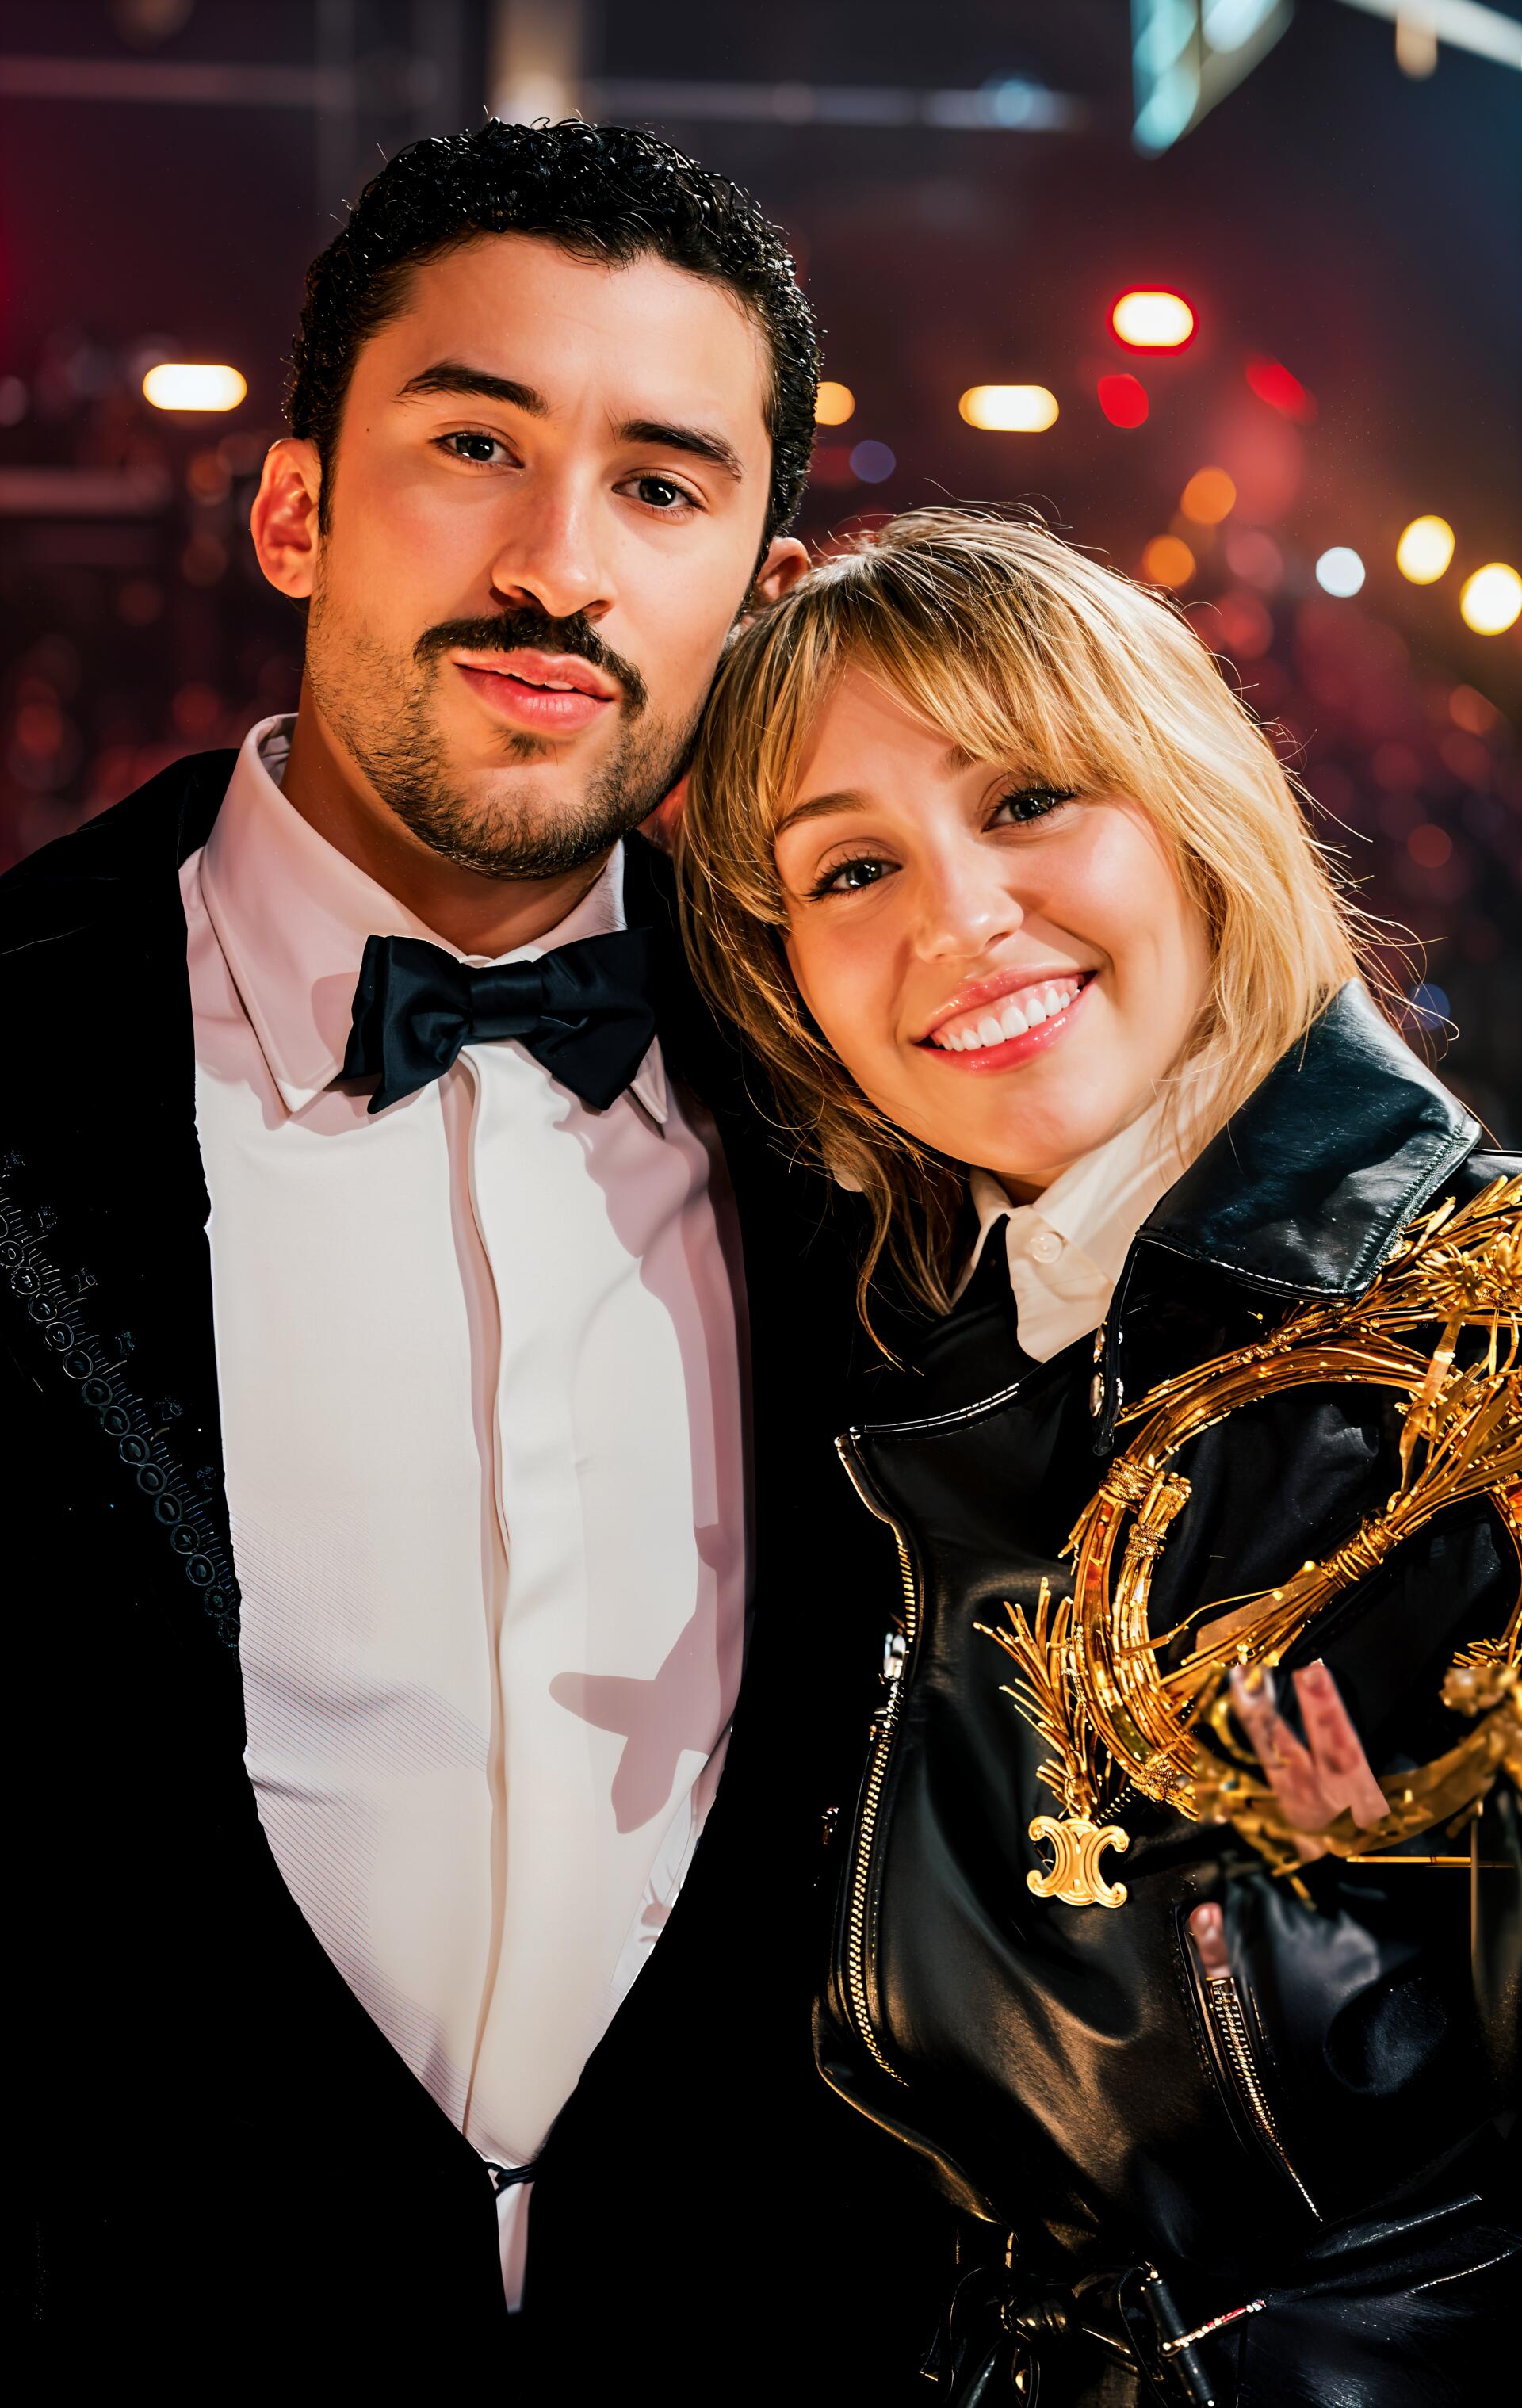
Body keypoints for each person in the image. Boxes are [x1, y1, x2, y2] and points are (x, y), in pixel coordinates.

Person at [3, 121, 946, 2388]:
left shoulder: (894, 1110)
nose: (558, 565)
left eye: (660, 483)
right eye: (476, 444)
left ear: (760, 575)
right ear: (298, 501)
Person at [678, 509, 1522, 2405]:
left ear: (1194, 806)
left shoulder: (1495, 1352)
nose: (955, 918)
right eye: (850, 869)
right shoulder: (918, 1397)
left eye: (1031, 799)